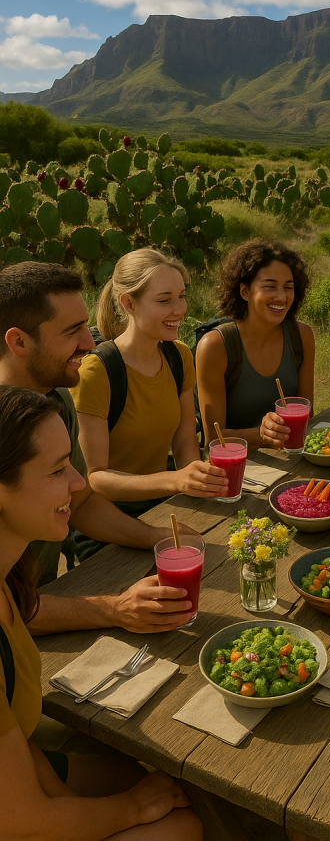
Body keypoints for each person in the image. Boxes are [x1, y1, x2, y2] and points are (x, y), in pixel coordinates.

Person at [0, 385, 202, 841]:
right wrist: (130, 809)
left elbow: (15, 733)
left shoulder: (10, 581)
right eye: (56, 470)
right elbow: (20, 823)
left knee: (177, 790)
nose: (78, 482)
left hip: (24, 773)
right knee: (184, 825)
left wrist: (64, 799)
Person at [0, 262, 194, 634]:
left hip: (45, 600)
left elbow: (83, 501)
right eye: (72, 331)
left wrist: (155, 537)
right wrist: (110, 609)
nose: (90, 342)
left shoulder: (55, 400)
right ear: (18, 342)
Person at [71, 249, 226, 558]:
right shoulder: (96, 372)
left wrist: (194, 477)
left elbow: (184, 441)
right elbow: (96, 478)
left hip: (165, 504)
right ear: (129, 303)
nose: (179, 310)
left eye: (181, 296)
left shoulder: (179, 356)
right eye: (164, 300)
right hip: (108, 521)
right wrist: (176, 480)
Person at [195, 240, 315, 449]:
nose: (281, 296)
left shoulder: (301, 336)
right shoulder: (215, 346)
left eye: (288, 287)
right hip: (239, 468)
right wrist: (259, 434)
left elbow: (308, 416)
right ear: (244, 292)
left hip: (292, 459)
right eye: (270, 286)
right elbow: (212, 439)